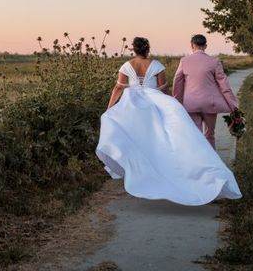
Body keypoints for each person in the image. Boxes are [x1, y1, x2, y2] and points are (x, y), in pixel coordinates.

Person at [95, 37, 242, 205]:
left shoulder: (126, 66)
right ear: (148, 49)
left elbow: (119, 87)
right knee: (175, 138)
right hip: (154, 103)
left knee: (137, 139)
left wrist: (109, 108)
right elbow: (163, 88)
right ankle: (196, 167)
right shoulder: (157, 66)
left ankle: (142, 169)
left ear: (133, 50)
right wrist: (174, 103)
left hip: (132, 105)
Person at [173, 34, 238, 149]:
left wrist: (177, 101)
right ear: (205, 46)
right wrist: (233, 106)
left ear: (192, 45)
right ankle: (212, 163)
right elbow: (224, 85)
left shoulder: (184, 61)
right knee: (210, 134)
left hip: (191, 104)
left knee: (195, 135)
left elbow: (177, 82)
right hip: (210, 104)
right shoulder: (214, 61)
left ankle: (198, 162)